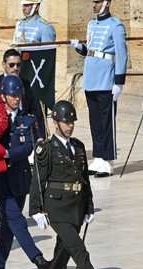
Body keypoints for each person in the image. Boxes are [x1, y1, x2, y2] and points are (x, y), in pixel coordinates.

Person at [30, 100, 122, 269]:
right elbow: (37, 180)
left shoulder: (79, 146)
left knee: (62, 254)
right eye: (65, 122)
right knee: (78, 249)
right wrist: (35, 209)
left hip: (76, 207)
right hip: (57, 207)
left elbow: (84, 180)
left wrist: (89, 206)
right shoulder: (47, 148)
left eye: (72, 122)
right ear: (55, 123)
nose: (70, 126)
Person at [0, 75, 49, 269]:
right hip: (1, 180)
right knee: (16, 221)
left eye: (18, 95)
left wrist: (6, 153)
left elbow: (28, 147)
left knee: (7, 231)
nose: (16, 99)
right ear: (3, 95)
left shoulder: (27, 120)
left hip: (21, 180)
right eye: (12, 95)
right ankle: (40, 261)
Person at [0, 48, 46, 228]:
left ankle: (13, 212)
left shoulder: (26, 85)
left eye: (18, 65)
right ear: (3, 65)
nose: (15, 68)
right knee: (1, 177)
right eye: (11, 64)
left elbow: (35, 110)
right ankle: (2, 213)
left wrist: (41, 136)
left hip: (21, 136)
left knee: (19, 175)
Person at [69, 0, 127, 177]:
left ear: (107, 4)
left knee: (106, 121)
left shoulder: (116, 25)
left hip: (106, 77)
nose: (94, 5)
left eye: (97, 2)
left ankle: (108, 161)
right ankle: (99, 156)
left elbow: (122, 54)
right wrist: (80, 48)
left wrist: (119, 82)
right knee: (95, 120)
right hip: (91, 76)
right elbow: (91, 50)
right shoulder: (91, 24)